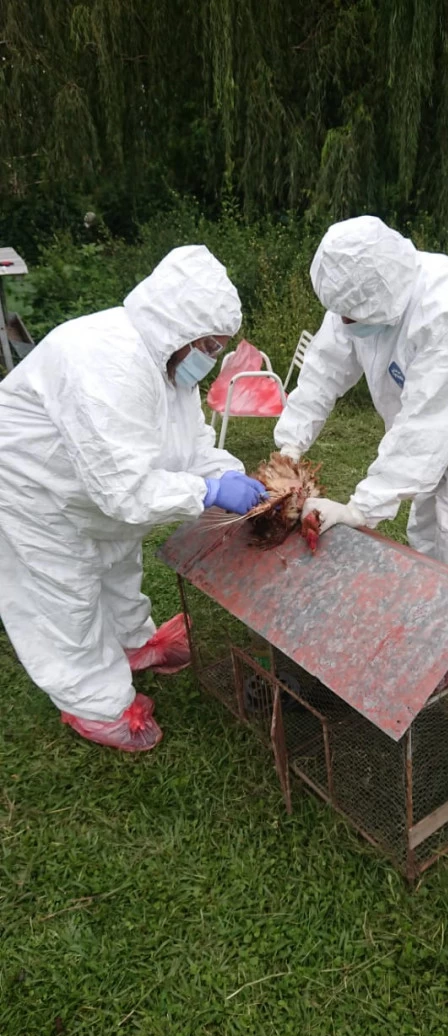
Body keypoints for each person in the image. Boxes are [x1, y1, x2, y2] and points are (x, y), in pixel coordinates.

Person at [0, 246, 266, 751]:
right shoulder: (106, 359)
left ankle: (132, 642)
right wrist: (208, 491)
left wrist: (230, 475)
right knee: (66, 592)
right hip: (34, 489)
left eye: (219, 345)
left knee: (118, 563)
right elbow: (127, 490)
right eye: (209, 343)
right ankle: (95, 704)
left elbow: (187, 445)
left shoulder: (168, 362)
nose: (212, 356)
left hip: (92, 488)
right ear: (178, 325)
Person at [276, 216, 448, 581]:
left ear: (377, 296)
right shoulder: (357, 293)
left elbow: (429, 423)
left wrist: (360, 509)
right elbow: (324, 368)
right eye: (341, 314)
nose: (344, 322)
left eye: (350, 315)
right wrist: (290, 444)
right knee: (426, 521)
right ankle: (428, 604)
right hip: (433, 412)